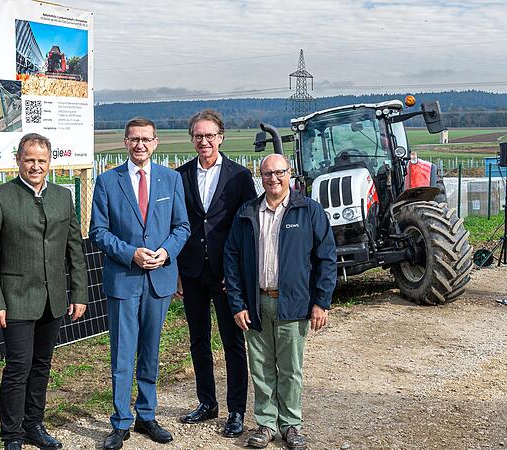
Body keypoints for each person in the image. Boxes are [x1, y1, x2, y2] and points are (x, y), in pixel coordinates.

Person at [0, 133, 88, 450]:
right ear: (18, 161)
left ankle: (34, 426)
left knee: (42, 365)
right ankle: (12, 435)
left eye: (41, 160)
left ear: (50, 162)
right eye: (29, 160)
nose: (35, 166)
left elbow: (74, 250)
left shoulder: (62, 197)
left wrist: (79, 293)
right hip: (15, 300)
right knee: (17, 368)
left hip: (53, 300)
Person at [224, 154, 336, 450]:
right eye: (266, 174)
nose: (273, 179)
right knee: (260, 367)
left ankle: (291, 425)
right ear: (259, 177)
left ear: (290, 174)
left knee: (290, 368)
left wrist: (321, 302)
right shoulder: (247, 212)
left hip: (294, 303)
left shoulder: (308, 210)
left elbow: (326, 259)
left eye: (279, 173)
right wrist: (237, 304)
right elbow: (231, 259)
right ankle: (266, 424)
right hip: (256, 302)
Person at [90, 117, 190, 449]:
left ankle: (146, 415)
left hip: (158, 279)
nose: (140, 145)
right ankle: (120, 422)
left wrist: (165, 253)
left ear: (156, 142)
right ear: (125, 142)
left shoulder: (171, 179)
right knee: (122, 352)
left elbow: (182, 228)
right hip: (124, 278)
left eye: (146, 139)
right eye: (134, 139)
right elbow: (99, 232)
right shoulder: (107, 182)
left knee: (150, 349)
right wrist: (131, 253)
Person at [174, 110, 256, 437]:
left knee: (232, 342)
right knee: (198, 341)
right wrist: (177, 270)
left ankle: (236, 410)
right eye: (198, 136)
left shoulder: (239, 176)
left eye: (210, 135)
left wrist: (237, 272)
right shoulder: (179, 176)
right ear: (192, 138)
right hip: (192, 271)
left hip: (226, 275)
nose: (204, 141)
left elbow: (249, 227)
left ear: (221, 137)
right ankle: (207, 403)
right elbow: (177, 226)